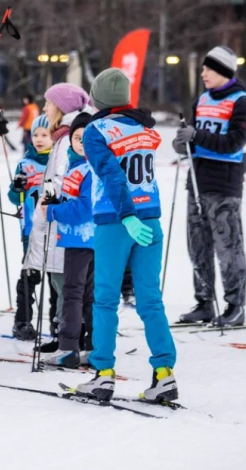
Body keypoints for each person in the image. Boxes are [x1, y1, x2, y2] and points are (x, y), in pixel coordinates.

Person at [76, 68, 177, 403]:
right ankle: (165, 374)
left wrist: (127, 215)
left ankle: (103, 374)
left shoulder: (95, 130)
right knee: (151, 300)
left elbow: (112, 175)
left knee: (105, 300)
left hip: (116, 221)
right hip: (151, 218)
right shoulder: (144, 127)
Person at [174, 46, 246, 327]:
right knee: (197, 245)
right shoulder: (202, 100)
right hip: (197, 180)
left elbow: (234, 143)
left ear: (223, 71)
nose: (203, 73)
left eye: (209, 68)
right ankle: (204, 302)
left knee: (228, 245)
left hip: (224, 183)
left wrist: (197, 135)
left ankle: (235, 305)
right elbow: (196, 140)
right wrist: (183, 142)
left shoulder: (241, 102)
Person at [23, 82, 92, 350]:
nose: (45, 108)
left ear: (62, 108)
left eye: (49, 103)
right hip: (60, 216)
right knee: (61, 281)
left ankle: (70, 338)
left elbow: (62, 180)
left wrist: (47, 207)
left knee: (67, 284)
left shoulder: (67, 139)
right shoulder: (62, 136)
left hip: (65, 219)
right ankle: (64, 334)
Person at [41, 111, 96, 368]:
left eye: (87, 138)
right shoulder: (75, 166)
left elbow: (84, 208)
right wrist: (55, 201)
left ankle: (69, 348)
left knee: (75, 294)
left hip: (83, 240)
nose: (81, 143)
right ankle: (88, 347)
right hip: (78, 240)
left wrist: (53, 211)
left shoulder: (91, 167)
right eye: (77, 138)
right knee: (83, 295)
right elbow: (73, 200)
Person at [8, 114, 51, 341]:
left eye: (45, 135)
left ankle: (59, 321)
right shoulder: (25, 163)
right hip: (30, 231)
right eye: (35, 135)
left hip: (54, 229)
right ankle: (22, 322)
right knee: (29, 276)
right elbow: (13, 198)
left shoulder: (59, 162)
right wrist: (17, 188)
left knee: (55, 278)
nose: (39, 139)